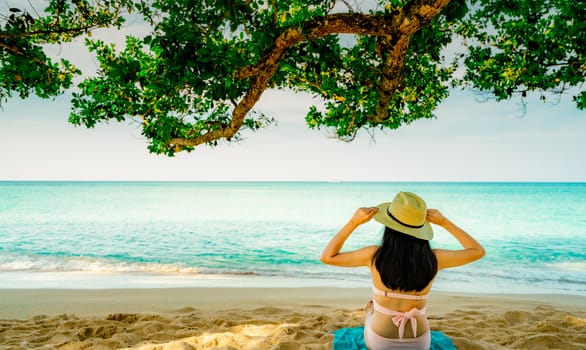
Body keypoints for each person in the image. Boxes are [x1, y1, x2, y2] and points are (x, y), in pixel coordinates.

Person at [321, 191, 485, 350]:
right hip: (419, 343)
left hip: (380, 343)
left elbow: (328, 257)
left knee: (370, 311)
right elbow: (477, 251)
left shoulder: (374, 256)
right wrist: (444, 222)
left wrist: (353, 222)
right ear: (421, 229)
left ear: (388, 227)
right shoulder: (434, 258)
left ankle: (372, 313)